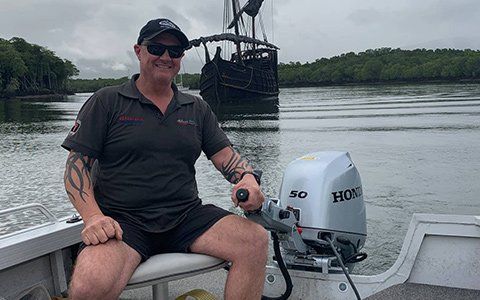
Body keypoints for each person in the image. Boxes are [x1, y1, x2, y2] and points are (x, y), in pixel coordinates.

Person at [62, 18, 268, 300]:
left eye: (175, 51)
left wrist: (247, 178)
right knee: (88, 287)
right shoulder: (107, 101)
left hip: (186, 217)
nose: (165, 57)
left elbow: (226, 157)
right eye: (157, 48)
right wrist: (93, 217)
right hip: (124, 222)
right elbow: (77, 166)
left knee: (254, 241)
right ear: (138, 51)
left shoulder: (196, 108)